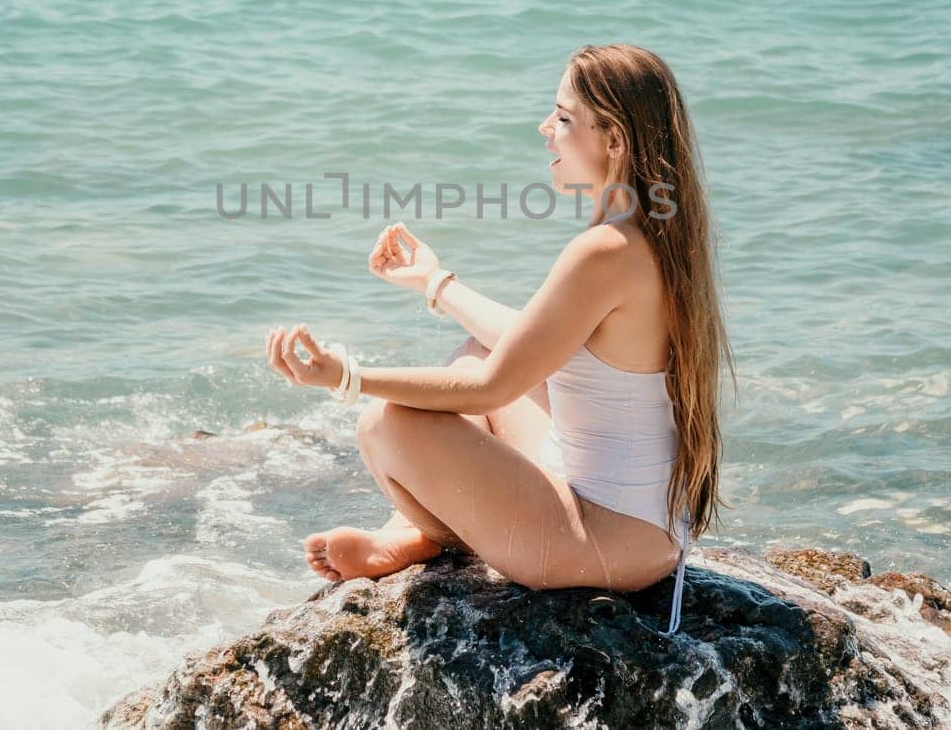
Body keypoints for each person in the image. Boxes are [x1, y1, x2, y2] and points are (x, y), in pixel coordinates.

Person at [263, 43, 735, 635]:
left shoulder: (604, 252)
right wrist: (433, 282)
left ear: (614, 140)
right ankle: (414, 533)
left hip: (606, 542)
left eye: (563, 118)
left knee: (388, 424)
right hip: (645, 527)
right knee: (476, 349)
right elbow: (526, 344)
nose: (545, 129)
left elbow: (490, 389)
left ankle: (427, 535)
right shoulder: (649, 231)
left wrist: (345, 377)